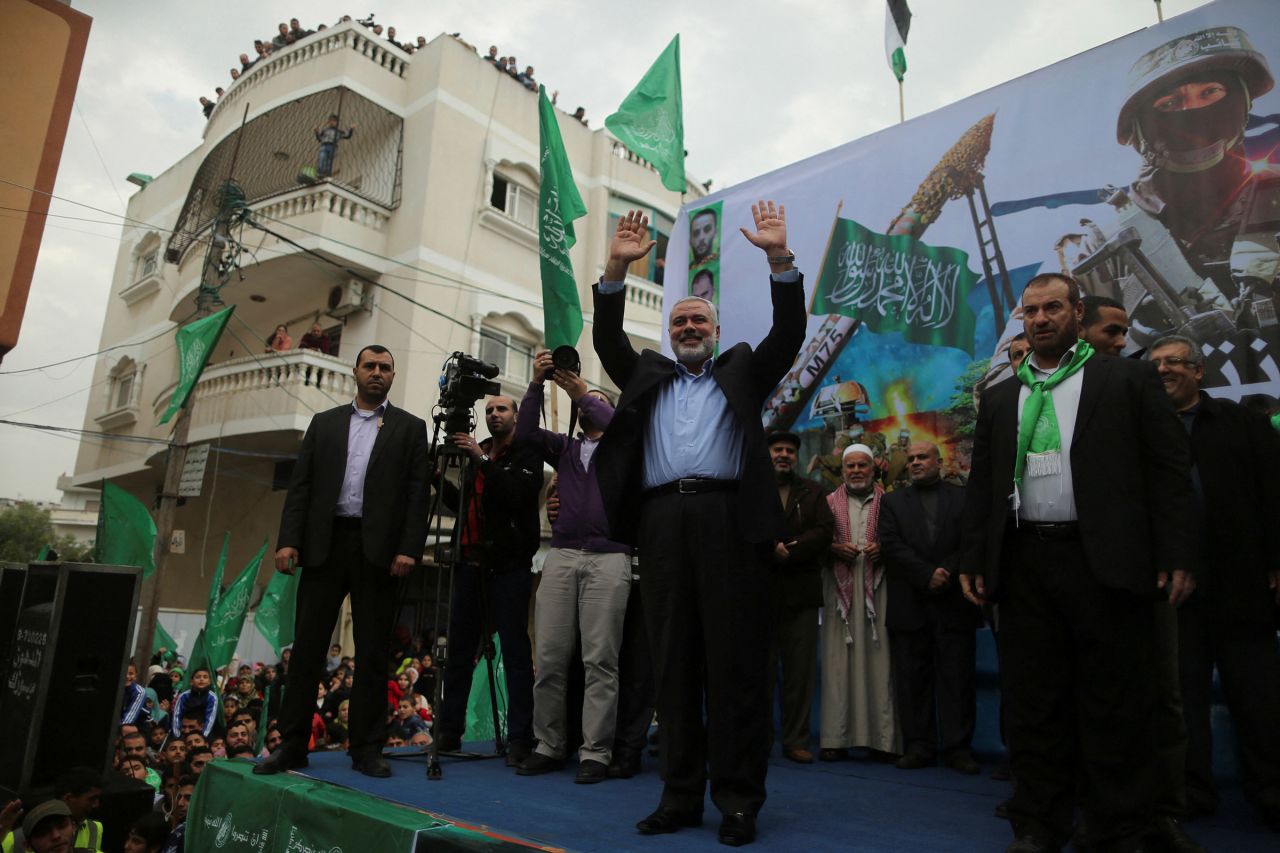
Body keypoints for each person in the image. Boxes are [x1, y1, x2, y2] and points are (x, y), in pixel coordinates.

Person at [592, 201, 805, 846]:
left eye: (698, 320)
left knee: (735, 666)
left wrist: (777, 258)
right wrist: (615, 269)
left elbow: (789, 335)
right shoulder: (647, 375)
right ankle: (680, 797)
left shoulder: (742, 369)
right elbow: (606, 341)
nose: (688, 326)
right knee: (673, 667)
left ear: (715, 330)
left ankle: (738, 801)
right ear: (669, 333)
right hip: (660, 525)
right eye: (680, 320)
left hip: (728, 522)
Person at [959, 272, 1196, 851]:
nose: (1040, 319)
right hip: (1026, 567)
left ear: (1076, 312)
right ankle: (1039, 824)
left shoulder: (1128, 379)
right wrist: (975, 556)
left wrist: (1176, 553)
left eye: (1053, 309)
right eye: (1031, 311)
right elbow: (984, 487)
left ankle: (1121, 826)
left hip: (1107, 565)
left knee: (1115, 703)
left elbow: (1168, 474)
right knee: (1034, 706)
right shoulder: (999, 398)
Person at [257, 344, 429, 778]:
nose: (377, 373)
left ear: (393, 376)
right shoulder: (325, 424)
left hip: (379, 553)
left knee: (372, 653)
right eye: (369, 366)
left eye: (385, 368)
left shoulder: (410, 429)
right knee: (308, 648)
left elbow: (416, 494)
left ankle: (366, 749)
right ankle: (292, 745)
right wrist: (287, 541)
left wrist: (409, 547)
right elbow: (302, 487)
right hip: (323, 545)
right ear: (355, 371)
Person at [1147, 334, 1280, 830]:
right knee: (1183, 701)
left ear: (1199, 371)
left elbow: (1272, 493)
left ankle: (1269, 792)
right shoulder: (1141, 432)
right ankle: (1192, 794)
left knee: (1259, 697)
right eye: (1156, 363)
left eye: (1174, 362)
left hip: (1243, 585)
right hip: (1175, 594)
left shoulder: (1241, 421)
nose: (1163, 370)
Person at [512, 354, 630, 783]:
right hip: (561, 554)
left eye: (595, 402)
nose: (585, 406)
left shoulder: (623, 445)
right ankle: (548, 744)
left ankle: (595, 751)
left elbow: (616, 424)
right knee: (549, 656)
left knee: (600, 659)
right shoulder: (566, 447)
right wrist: (536, 385)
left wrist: (582, 391)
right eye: (583, 402)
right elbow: (524, 434)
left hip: (610, 556)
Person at [433, 395, 542, 767]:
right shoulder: (478, 453)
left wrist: (480, 462)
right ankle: (449, 731)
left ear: (515, 416)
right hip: (469, 563)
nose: (494, 414)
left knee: (514, 653)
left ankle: (520, 739)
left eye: (502, 410)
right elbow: (465, 505)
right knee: (459, 653)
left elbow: (515, 495)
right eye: (490, 410)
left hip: (508, 566)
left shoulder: (526, 453)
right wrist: (438, 478)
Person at [877, 442, 982, 774]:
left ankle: (958, 749)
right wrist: (926, 575)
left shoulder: (962, 498)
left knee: (958, 680)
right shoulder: (892, 502)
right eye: (910, 460)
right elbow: (890, 544)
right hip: (911, 603)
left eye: (922, 457)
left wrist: (946, 572)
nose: (915, 463)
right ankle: (919, 746)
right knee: (912, 682)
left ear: (939, 461)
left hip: (954, 603)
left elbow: (971, 541)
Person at [820, 444, 898, 762]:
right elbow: (815, 539)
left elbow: (903, 538)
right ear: (842, 472)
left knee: (881, 664)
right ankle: (835, 739)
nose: (855, 471)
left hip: (880, 590)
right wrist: (834, 548)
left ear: (873, 469)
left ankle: (883, 740)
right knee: (838, 666)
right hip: (840, 592)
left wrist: (886, 548)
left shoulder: (891, 504)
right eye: (849, 466)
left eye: (862, 465)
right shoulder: (826, 504)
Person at [763, 430, 833, 765]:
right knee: (759, 673)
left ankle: (796, 740)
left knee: (799, 675)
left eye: (790, 450)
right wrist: (769, 547)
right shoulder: (753, 492)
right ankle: (757, 740)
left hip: (801, 594)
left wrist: (793, 548)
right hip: (759, 594)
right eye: (778, 449)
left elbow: (824, 531)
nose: (784, 455)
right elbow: (739, 530)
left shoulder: (814, 491)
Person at [54, 767, 103, 853]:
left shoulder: (95, 828)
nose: (96, 805)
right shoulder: (40, 829)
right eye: (92, 799)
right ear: (68, 799)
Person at [170, 668, 218, 738]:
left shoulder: (212, 697)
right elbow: (177, 716)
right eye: (198, 677)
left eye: (205, 677)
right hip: (184, 731)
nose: (201, 679)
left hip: (203, 733)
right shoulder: (184, 696)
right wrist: (178, 736)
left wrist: (203, 736)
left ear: (209, 682)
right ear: (191, 681)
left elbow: (210, 719)